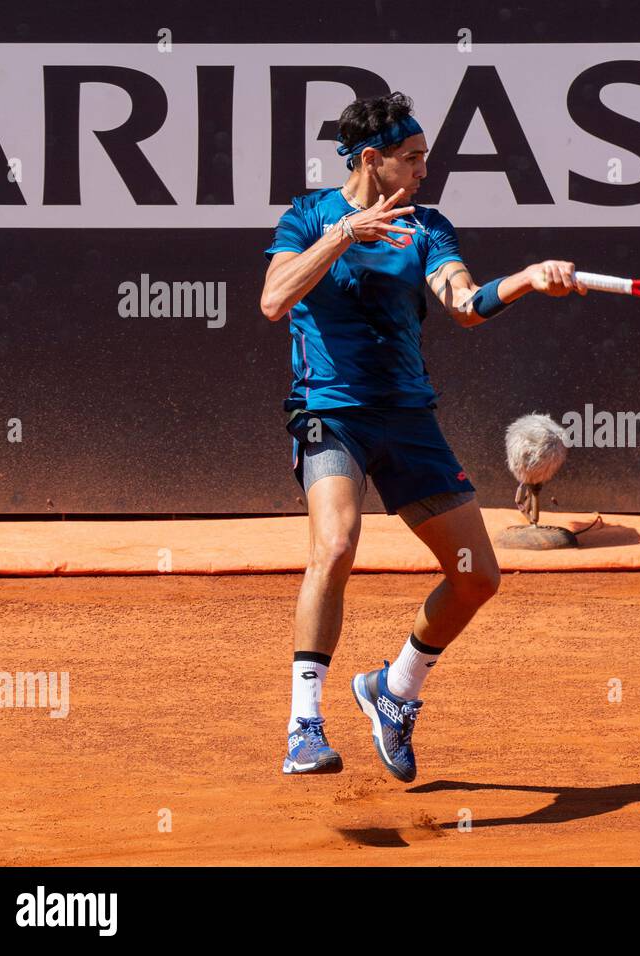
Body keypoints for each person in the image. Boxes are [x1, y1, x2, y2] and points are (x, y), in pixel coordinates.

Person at [260, 92, 586, 780]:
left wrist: (526, 279)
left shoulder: (428, 227)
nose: (424, 170)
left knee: (477, 578)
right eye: (412, 159)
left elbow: (463, 304)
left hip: (408, 418)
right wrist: (344, 234)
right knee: (336, 543)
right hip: (331, 411)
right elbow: (274, 299)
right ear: (371, 161)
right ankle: (304, 725)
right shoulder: (307, 215)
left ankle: (395, 690)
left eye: (426, 158)